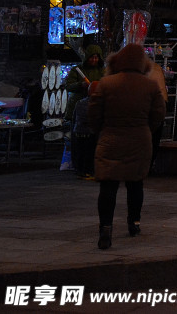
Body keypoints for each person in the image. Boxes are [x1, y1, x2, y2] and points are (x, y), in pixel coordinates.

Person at [88, 44, 166, 249]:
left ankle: (105, 227)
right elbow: (158, 113)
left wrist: (101, 130)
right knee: (135, 183)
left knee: (108, 186)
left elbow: (94, 113)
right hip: (139, 139)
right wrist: (146, 128)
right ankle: (134, 222)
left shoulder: (106, 83)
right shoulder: (149, 86)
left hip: (110, 138)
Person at [64, 44, 106, 121]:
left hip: (95, 107)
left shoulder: (103, 71)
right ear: (87, 57)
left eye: (96, 57)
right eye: (91, 57)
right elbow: (68, 86)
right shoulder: (77, 70)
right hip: (76, 107)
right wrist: (80, 85)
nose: (94, 60)